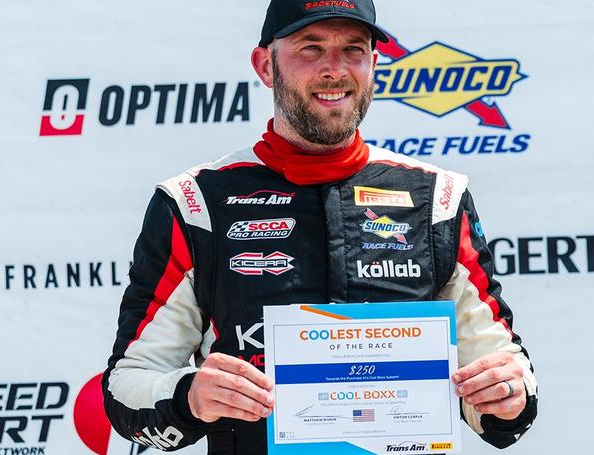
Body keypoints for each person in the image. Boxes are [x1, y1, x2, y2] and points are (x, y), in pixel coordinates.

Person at [103, 0, 538, 452]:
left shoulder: (437, 200)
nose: (335, 69)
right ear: (265, 66)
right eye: (310, 48)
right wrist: (190, 397)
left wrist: (506, 395)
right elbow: (129, 386)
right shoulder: (195, 203)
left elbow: (502, 368)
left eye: (353, 49)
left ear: (373, 65)